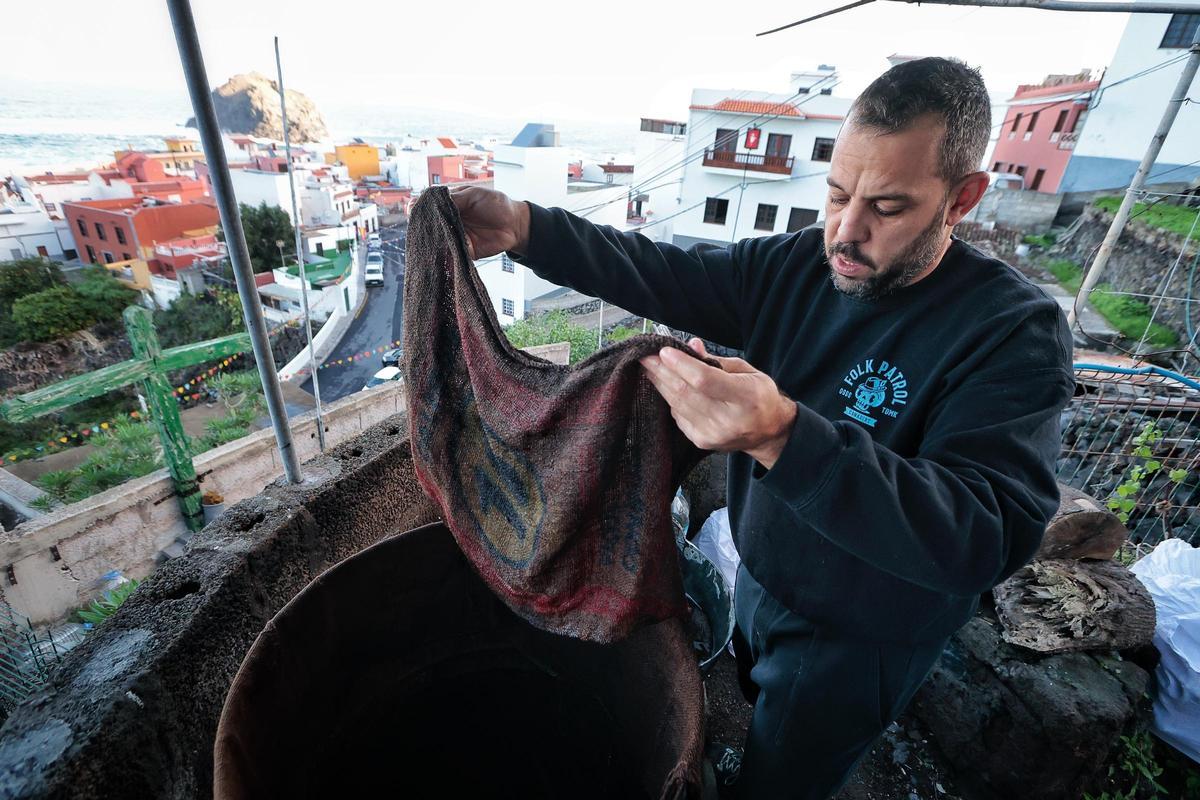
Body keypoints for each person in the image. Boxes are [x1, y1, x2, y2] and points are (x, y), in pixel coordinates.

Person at [449, 57, 1074, 799]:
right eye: (838, 194)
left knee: (789, 776)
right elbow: (661, 270)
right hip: (765, 578)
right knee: (758, 700)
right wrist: (527, 227)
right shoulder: (800, 268)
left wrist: (784, 437)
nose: (845, 232)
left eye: (888, 207)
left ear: (962, 199)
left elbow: (985, 532)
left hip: (861, 636)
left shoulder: (1012, 333)